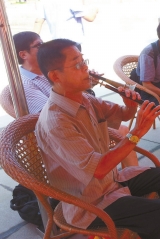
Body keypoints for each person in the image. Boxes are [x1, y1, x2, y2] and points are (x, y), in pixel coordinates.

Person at [35, 39, 160, 239]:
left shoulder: (85, 99)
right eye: (77, 65)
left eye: (84, 62)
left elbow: (120, 114)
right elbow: (100, 169)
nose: (86, 69)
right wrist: (137, 132)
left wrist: (130, 107)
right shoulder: (57, 122)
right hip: (88, 203)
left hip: (111, 183)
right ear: (55, 76)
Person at [12, 31, 138, 167]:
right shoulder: (25, 84)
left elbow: (122, 113)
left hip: (85, 119)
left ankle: (132, 179)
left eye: (83, 62)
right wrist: (139, 130)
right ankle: (133, 181)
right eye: (38, 45)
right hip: (67, 133)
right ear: (23, 54)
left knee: (123, 130)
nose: (43, 47)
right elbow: (54, 115)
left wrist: (85, 83)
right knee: (123, 132)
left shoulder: (56, 74)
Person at [33, 0, 98, 50]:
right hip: (72, 47)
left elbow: (38, 21)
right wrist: (95, 10)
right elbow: (90, 18)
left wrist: (33, 44)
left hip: (56, 46)